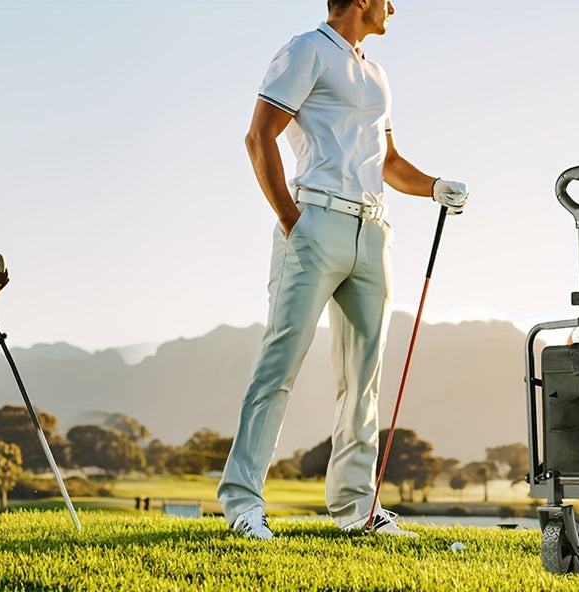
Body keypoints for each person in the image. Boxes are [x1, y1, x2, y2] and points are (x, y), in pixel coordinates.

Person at [217, 0, 469, 541]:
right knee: (279, 364)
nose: (393, 8)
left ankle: (356, 509)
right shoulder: (307, 50)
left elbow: (388, 162)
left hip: (372, 232)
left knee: (363, 380)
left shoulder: (375, 73)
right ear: (361, 1)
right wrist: (291, 219)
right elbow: (259, 135)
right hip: (314, 224)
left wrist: (434, 187)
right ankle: (242, 503)